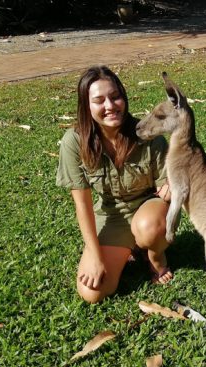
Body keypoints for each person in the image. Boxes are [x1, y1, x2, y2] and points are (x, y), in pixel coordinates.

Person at [56, 65, 173, 304]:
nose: (110, 106)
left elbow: (168, 186)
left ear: (124, 97)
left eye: (115, 97)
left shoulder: (148, 135)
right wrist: (96, 255)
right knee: (93, 292)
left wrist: (172, 185)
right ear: (86, 107)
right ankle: (131, 249)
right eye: (99, 101)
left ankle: (155, 256)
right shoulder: (74, 141)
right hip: (111, 215)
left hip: (148, 208)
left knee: (149, 227)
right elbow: (83, 205)